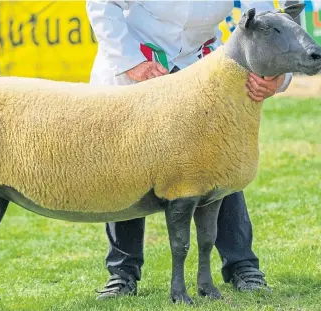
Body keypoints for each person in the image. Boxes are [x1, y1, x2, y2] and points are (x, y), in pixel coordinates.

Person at [86, 0, 292, 299]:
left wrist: (276, 78)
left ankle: (242, 265)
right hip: (136, 65)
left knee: (219, 164)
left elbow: (264, 19)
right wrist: (129, 60)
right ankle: (122, 273)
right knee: (127, 167)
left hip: (201, 64)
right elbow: (103, 4)